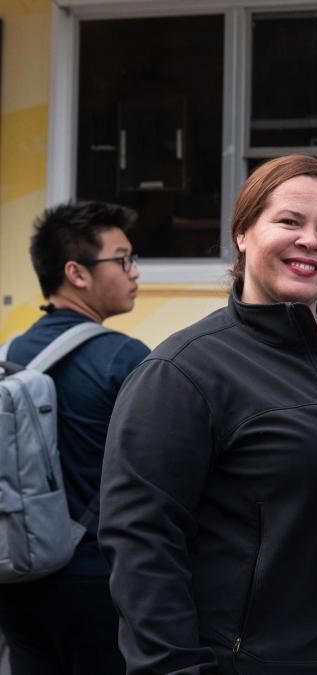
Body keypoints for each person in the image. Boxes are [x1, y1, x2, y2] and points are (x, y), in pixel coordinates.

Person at [99, 155, 317, 674]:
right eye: (289, 222)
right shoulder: (182, 372)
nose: (311, 241)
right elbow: (143, 545)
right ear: (243, 233)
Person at [0, 202, 149, 675]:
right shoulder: (123, 357)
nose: (135, 272)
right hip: (97, 577)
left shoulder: (12, 352)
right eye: (122, 259)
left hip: (19, 569)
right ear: (76, 273)